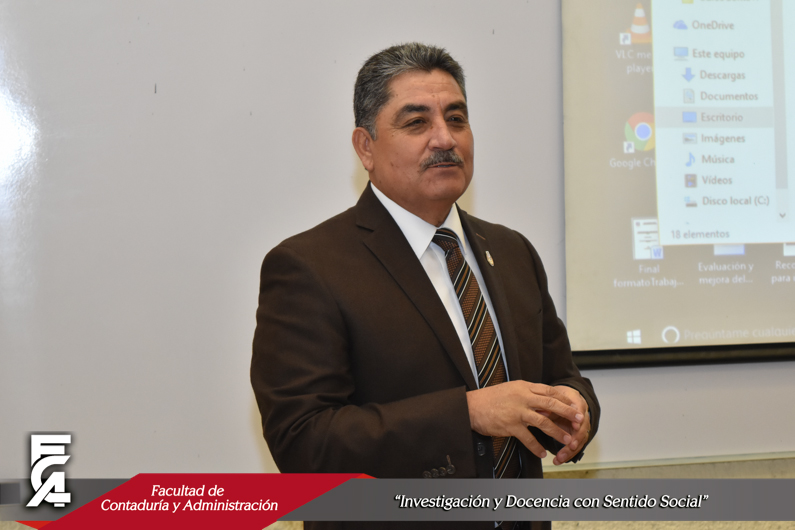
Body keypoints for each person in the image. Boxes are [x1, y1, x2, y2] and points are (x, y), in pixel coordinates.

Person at [251, 43, 600, 530]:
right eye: (417, 122)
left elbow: (561, 376)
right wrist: (466, 414)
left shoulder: (512, 251)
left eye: (456, 118)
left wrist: (576, 407)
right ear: (366, 147)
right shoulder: (309, 267)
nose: (445, 138)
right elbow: (303, 442)